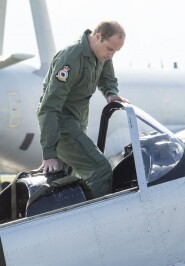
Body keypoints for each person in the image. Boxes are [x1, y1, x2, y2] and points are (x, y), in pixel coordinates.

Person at [37, 21, 129, 198]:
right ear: (97, 37)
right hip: (62, 124)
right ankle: (97, 222)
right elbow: (49, 107)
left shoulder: (102, 55)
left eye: (116, 51)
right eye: (110, 49)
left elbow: (107, 77)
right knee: (100, 169)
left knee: (67, 180)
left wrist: (111, 94)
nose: (111, 55)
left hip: (78, 122)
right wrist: (49, 153)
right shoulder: (71, 58)